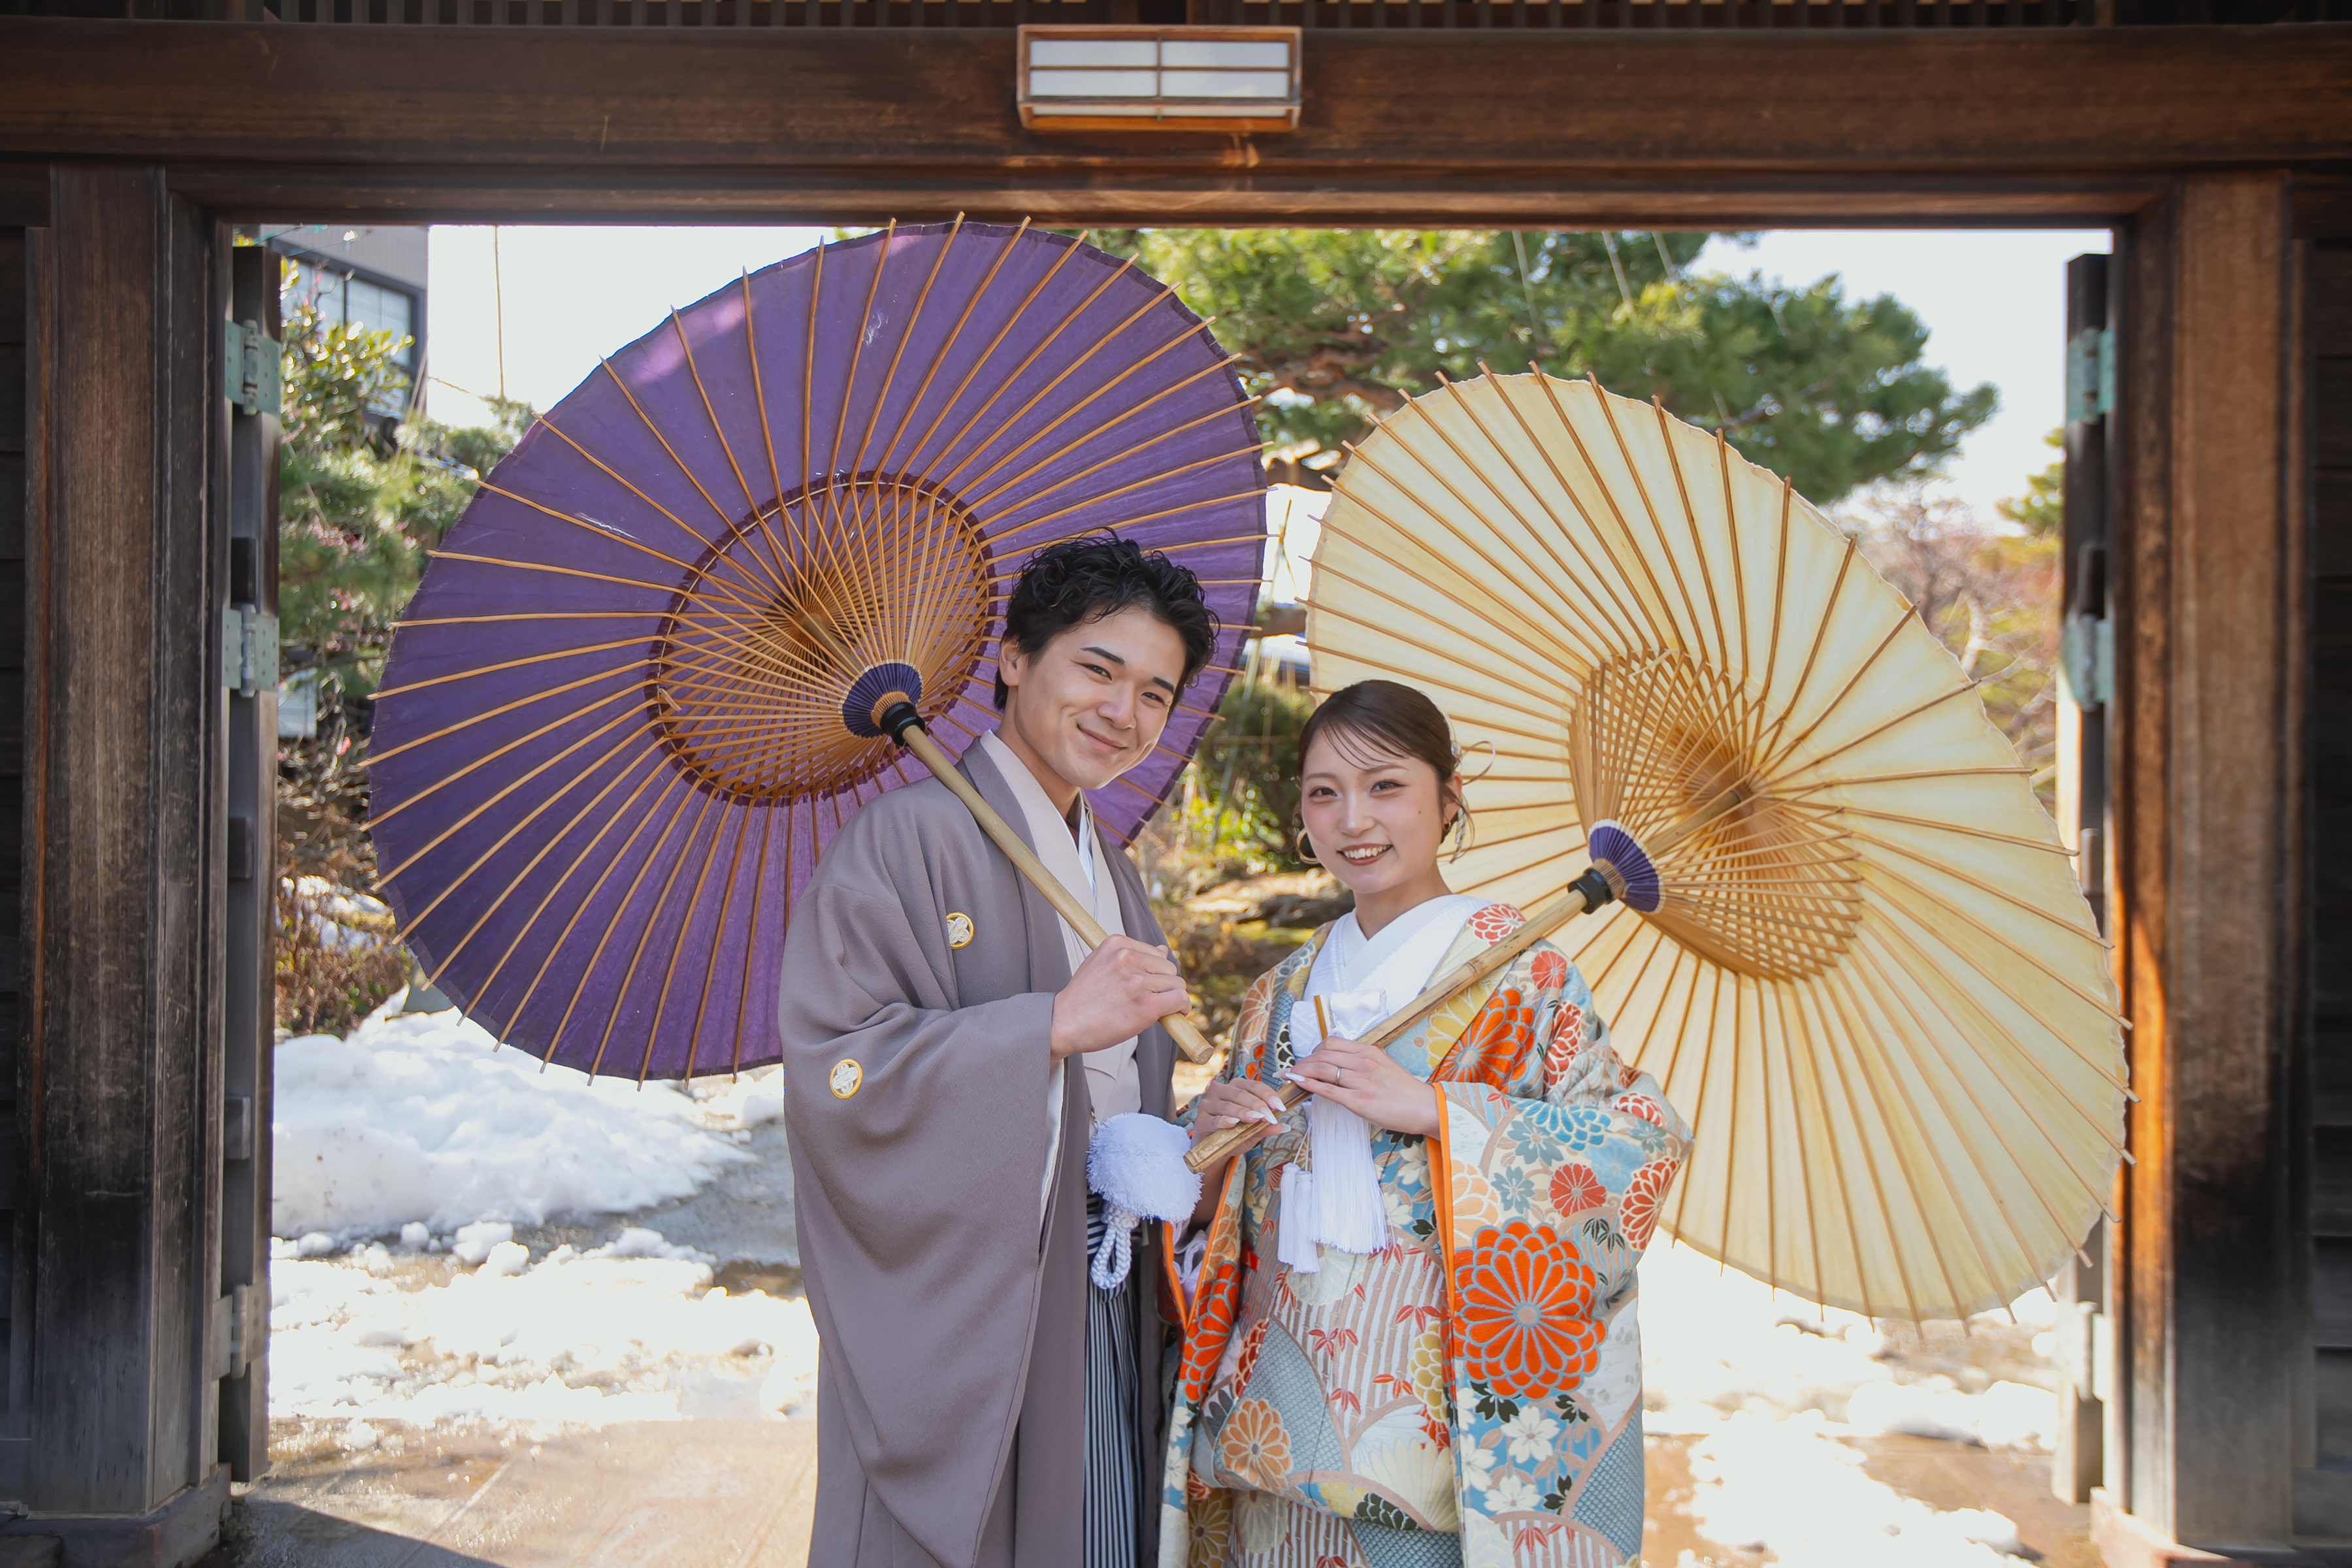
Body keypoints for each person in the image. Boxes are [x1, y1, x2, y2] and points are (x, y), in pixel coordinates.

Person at [1159, 680, 1692, 1568]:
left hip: (1434, 1440)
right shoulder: (1278, 995)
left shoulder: (1526, 977)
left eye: (1386, 786)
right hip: (1265, 1428)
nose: (1353, 819)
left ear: (1449, 800)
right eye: (1323, 791)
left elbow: (1639, 1143)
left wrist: (1440, 1112)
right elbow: (1216, 1217)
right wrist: (1207, 1143)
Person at [777, 534, 1217, 1568]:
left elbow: (1118, 1117)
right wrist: (1050, 1028)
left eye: (1157, 693)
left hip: (1105, 1292)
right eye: (1097, 670)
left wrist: (1193, 1136)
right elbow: (838, 1076)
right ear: (1016, 660)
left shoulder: (1104, 868)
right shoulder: (903, 842)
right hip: (977, 1310)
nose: (1124, 712)